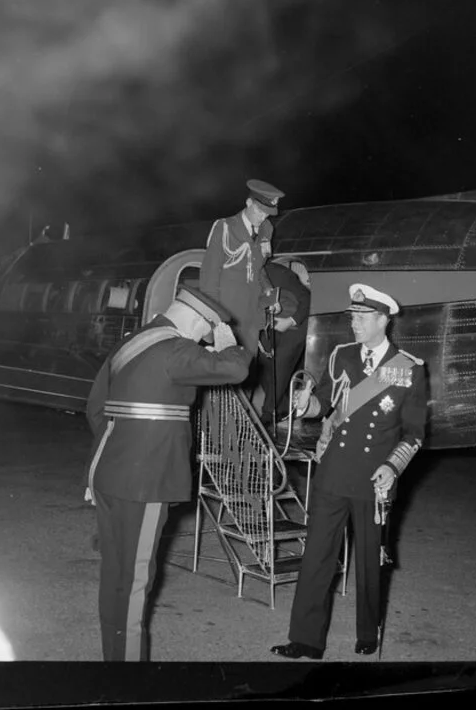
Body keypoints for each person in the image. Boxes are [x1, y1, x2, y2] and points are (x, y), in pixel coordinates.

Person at [84, 285, 251, 661]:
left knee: (114, 578)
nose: (201, 342)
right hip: (147, 483)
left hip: (108, 474)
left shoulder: (131, 342)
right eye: (204, 332)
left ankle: (112, 663)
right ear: (197, 320)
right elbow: (236, 369)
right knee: (136, 583)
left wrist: (119, 453)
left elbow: (95, 408)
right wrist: (228, 343)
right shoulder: (175, 348)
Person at [271, 284, 427, 660]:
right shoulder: (342, 356)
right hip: (334, 472)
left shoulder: (409, 369)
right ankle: (305, 639)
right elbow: (326, 402)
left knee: (370, 559)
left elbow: (414, 433)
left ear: (382, 320)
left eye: (361, 318)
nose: (353, 324)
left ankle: (368, 631)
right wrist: (308, 405)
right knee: (317, 556)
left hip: (374, 480)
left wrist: (393, 466)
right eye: (352, 317)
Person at [199, 179, 285, 359]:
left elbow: (258, 268)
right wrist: (216, 321)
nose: (263, 218)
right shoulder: (225, 228)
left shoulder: (266, 229)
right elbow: (209, 279)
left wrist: (269, 295)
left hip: (252, 315)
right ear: (248, 203)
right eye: (260, 211)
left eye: (267, 214)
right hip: (227, 316)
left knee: (248, 372)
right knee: (226, 374)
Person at [257, 259, 311, 427]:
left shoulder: (279, 273)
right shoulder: (241, 276)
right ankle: (282, 409)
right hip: (269, 325)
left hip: (296, 323)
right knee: (262, 363)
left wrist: (291, 321)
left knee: (281, 363)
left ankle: (268, 412)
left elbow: (307, 298)